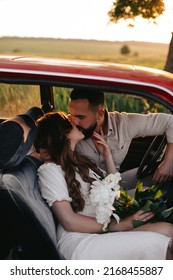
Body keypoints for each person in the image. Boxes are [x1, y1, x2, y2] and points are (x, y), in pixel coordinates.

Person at [35, 111, 173, 260]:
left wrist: (107, 156)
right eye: (71, 124)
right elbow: (69, 221)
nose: (76, 123)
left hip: (99, 228)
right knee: (159, 244)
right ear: (63, 134)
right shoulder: (50, 170)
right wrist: (114, 225)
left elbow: (113, 189)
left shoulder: (79, 162)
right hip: (80, 240)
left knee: (167, 229)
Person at [68, 88, 173, 189]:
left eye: (81, 117)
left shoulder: (124, 124)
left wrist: (168, 162)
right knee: (152, 199)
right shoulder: (69, 130)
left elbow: (170, 121)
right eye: (71, 115)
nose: (75, 122)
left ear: (99, 114)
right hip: (87, 192)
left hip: (114, 182)